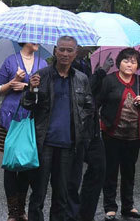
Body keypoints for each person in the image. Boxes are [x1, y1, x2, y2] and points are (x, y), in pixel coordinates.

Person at [22, 36, 95, 221]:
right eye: (61, 49)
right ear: (55, 51)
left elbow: (89, 107)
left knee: (62, 195)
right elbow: (26, 104)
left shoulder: (81, 78)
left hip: (68, 144)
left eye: (69, 50)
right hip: (44, 142)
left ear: (75, 54)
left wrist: (80, 127)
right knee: (38, 193)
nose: (65, 54)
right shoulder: (42, 75)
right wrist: (31, 90)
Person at [97, 48, 140, 220]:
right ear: (119, 62)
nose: (130, 64)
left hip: (134, 136)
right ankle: (110, 207)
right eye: (126, 60)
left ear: (138, 65)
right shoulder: (109, 80)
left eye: (134, 61)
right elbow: (97, 102)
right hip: (111, 134)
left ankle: (128, 206)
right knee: (111, 171)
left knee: (129, 171)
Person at [0, 43, 47, 221]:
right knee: (10, 165)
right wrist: (12, 82)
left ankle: (21, 211)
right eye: (34, 37)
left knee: (25, 165)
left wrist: (26, 87)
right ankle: (12, 212)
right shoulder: (10, 62)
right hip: (9, 119)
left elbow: (46, 91)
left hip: (32, 118)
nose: (37, 41)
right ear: (24, 40)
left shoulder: (43, 64)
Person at [70, 49, 110, 221]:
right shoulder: (70, 65)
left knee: (99, 168)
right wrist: (100, 73)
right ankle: (73, 214)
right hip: (76, 129)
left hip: (92, 127)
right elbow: (82, 91)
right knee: (73, 175)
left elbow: (94, 96)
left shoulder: (86, 62)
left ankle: (85, 214)